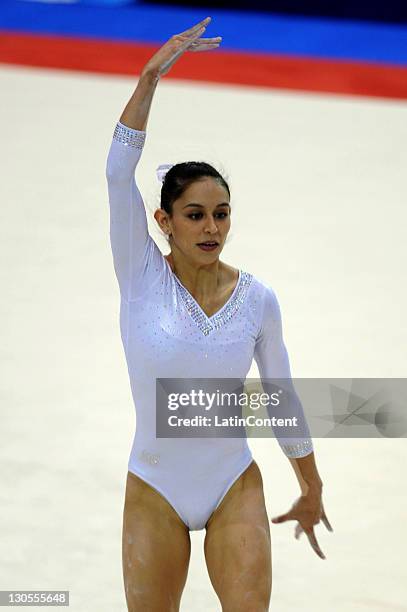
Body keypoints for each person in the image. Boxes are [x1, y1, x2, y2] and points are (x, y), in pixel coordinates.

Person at [105, 16, 332, 612]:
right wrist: (151, 76)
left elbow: (279, 396)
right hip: (155, 484)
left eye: (222, 213)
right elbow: (115, 173)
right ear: (164, 221)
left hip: (232, 482)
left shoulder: (257, 298)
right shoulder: (139, 275)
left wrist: (310, 484)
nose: (212, 228)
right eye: (196, 214)